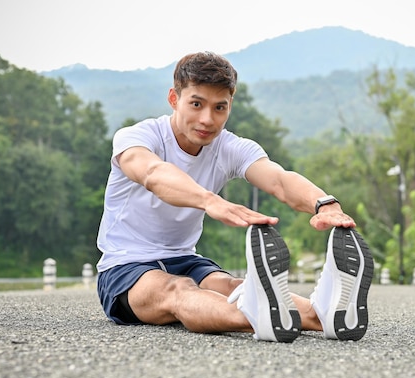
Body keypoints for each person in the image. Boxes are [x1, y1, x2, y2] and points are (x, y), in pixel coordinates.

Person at [96, 51, 374, 343]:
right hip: (125, 267)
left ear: (230, 106)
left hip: (185, 259)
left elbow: (279, 179)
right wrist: (209, 200)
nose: (207, 119)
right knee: (177, 291)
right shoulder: (137, 137)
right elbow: (152, 173)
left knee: (234, 285)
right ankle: (257, 317)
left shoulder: (229, 147)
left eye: (219, 107)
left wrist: (324, 203)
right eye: (196, 104)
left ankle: (323, 317)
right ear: (174, 99)